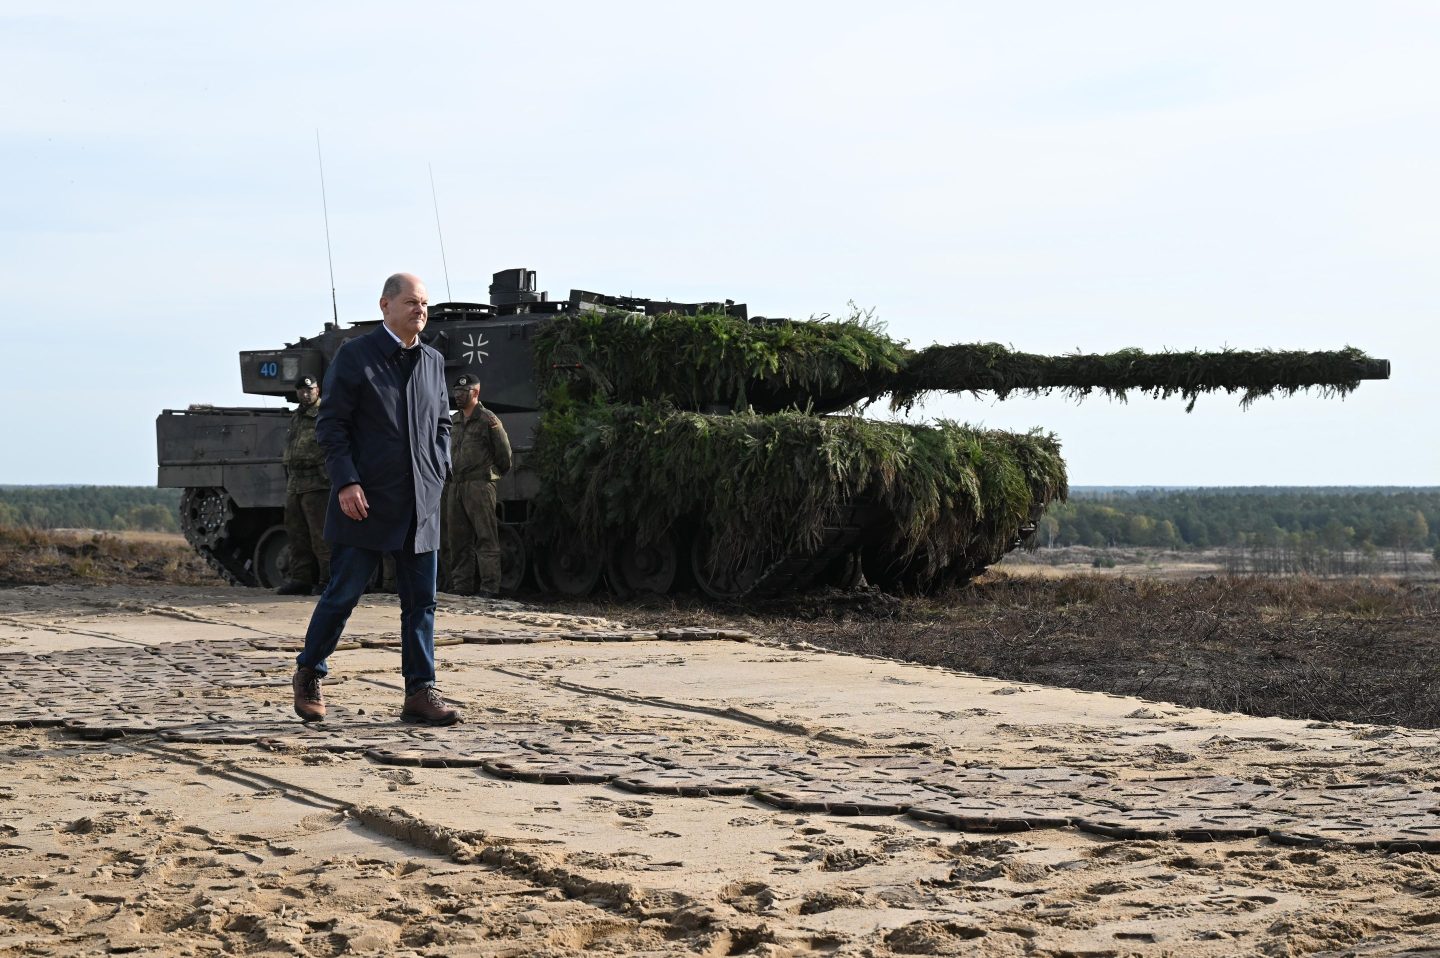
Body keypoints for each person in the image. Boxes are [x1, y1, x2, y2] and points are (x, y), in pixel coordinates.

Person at [291, 272, 460, 726]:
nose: (419, 310)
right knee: (343, 593)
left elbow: (442, 423)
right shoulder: (356, 356)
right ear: (385, 305)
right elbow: (332, 426)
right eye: (410, 302)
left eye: (424, 303)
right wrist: (346, 482)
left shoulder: (431, 361)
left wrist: (438, 467)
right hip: (365, 501)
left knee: (421, 603)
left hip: (420, 503)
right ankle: (310, 671)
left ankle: (420, 692)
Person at [443, 374, 512, 596]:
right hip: (457, 486)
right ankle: (461, 586)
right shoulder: (454, 420)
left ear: (476, 393)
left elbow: (504, 456)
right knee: (458, 539)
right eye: (456, 392)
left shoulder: (488, 420)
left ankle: (489, 587)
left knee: (485, 537)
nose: (458, 396)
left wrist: (489, 476)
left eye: (463, 392)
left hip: (480, 485)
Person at [276, 376, 330, 595]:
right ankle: (301, 579)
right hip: (295, 482)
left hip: (316, 482)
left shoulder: (325, 413)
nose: (306, 394)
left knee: (321, 535)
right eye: (302, 390)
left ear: (318, 390)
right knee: (297, 534)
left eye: (310, 390)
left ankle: (328, 580)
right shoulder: (297, 416)